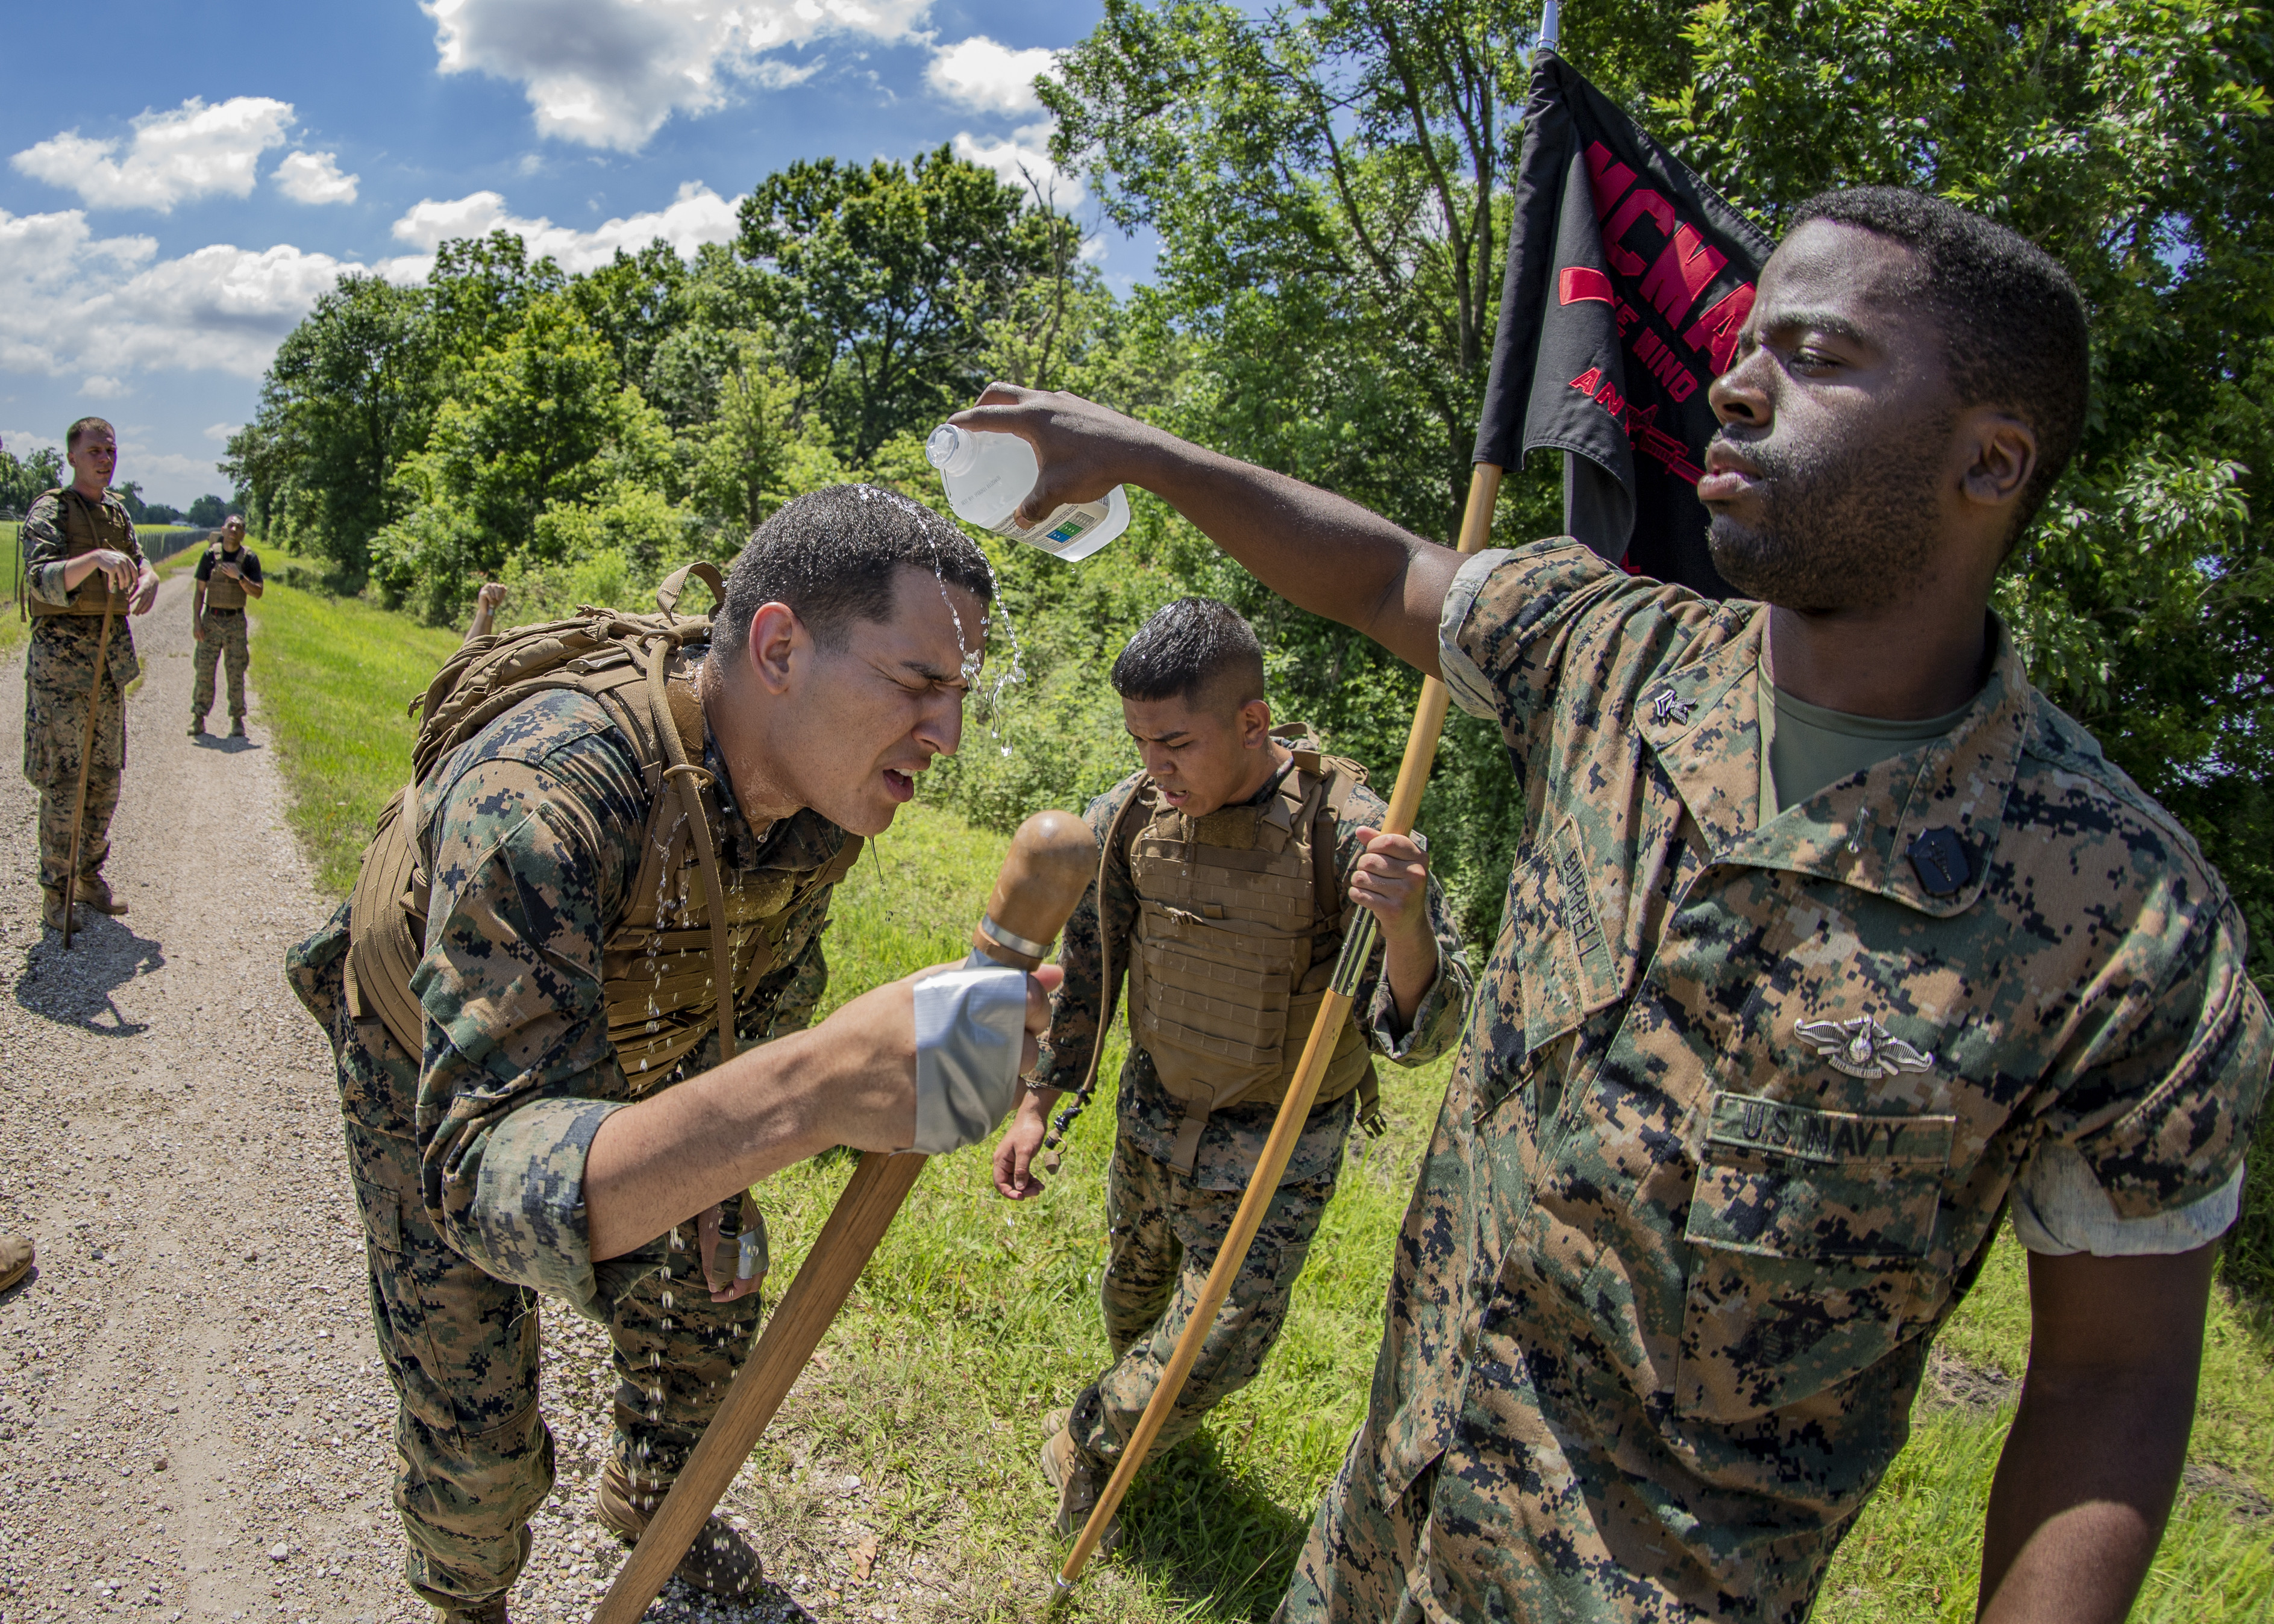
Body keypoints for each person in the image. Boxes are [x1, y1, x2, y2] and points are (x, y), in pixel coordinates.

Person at [952, 186, 2273, 1624]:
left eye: (1819, 357)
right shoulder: (1612, 662)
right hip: (1374, 1537)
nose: (1738, 384)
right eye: (1749, 341)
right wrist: (1133, 447)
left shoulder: (2124, 926)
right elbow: (1391, 570)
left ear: (1990, 458)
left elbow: (2110, 1382)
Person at [286, 486, 1054, 1624]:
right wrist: (805, 1092)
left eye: (959, 694)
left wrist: (798, 1110)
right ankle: (466, 1600)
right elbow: (479, 1178)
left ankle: (659, 1517)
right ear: (779, 647)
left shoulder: (821, 797)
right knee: (473, 1434)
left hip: (639, 1046)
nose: (945, 737)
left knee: (713, 1280)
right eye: (916, 685)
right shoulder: (543, 790)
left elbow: (766, 974)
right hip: (443, 1079)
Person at [995, 597, 1471, 1538]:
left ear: (1252, 722)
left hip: (1274, 1147)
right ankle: (1141, 1429)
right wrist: (1036, 1104)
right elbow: (1088, 971)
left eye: (1173, 742)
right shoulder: (1130, 816)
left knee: (1219, 1342)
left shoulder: (1355, 834)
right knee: (1133, 1305)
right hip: (1152, 1118)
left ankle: (1089, 1440)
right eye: (1139, 742)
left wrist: (1405, 922)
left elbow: (1425, 1032)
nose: (1152, 767)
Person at [19, 417, 160, 929]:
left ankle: (87, 877)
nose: (106, 458)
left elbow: (143, 562)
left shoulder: (117, 513)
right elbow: (40, 580)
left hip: (106, 665)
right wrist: (94, 558)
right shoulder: (50, 511)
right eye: (96, 450)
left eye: (112, 450)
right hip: (62, 669)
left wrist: (150, 579)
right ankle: (55, 891)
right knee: (65, 780)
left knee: (104, 779)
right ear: (73, 456)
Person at [189, 514, 263, 737]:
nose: (234, 529)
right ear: (223, 530)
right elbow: (200, 591)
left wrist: (239, 576)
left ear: (243, 534)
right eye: (230, 526)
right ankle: (198, 718)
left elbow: (258, 592)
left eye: (239, 527)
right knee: (204, 670)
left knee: (236, 671)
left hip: (235, 622)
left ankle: (238, 720)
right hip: (211, 619)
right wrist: (197, 621)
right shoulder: (210, 556)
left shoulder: (249, 559)